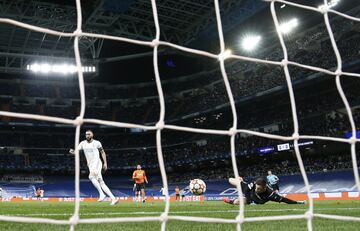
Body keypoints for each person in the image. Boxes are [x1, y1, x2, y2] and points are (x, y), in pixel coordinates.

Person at [70, 130, 118, 205]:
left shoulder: (97, 143)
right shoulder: (83, 143)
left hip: (97, 164)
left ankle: (102, 194)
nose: (87, 136)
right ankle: (113, 198)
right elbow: (76, 151)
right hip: (90, 165)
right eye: (86, 134)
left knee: (91, 177)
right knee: (101, 182)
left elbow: (103, 152)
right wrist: (73, 152)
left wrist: (105, 163)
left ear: (92, 135)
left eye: (88, 134)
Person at [224, 177, 305, 205]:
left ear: (264, 188)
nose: (256, 189)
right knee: (231, 180)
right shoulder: (253, 185)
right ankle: (240, 179)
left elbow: (284, 200)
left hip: (252, 200)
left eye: (259, 189)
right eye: (256, 187)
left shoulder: (271, 194)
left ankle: (229, 201)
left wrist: (297, 202)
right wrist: (250, 200)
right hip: (248, 192)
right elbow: (246, 190)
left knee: (237, 202)